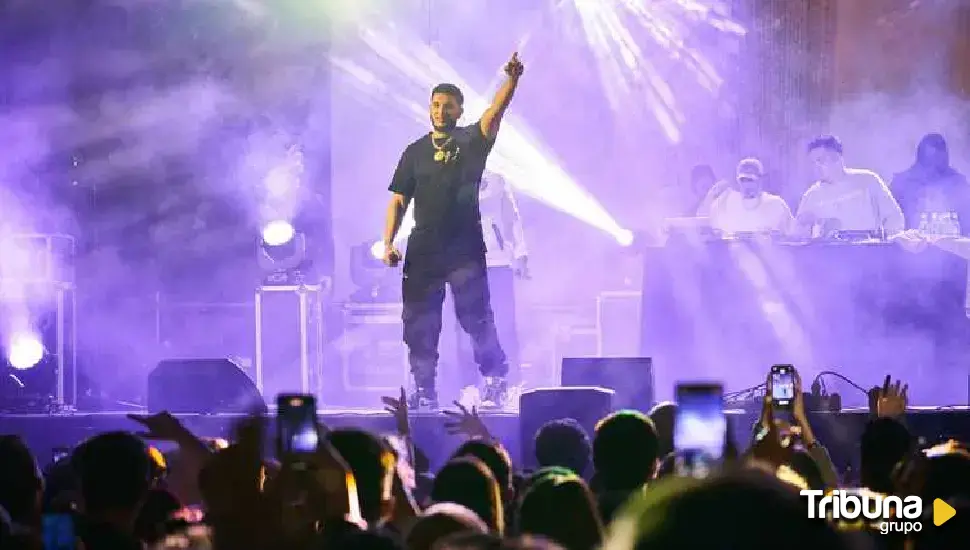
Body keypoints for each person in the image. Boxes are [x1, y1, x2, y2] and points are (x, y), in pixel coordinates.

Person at [381, 53, 525, 410]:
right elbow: (398, 200)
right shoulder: (414, 152)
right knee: (420, 323)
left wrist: (512, 81)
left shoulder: (471, 141)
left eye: (448, 106)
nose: (440, 111)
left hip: (464, 248)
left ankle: (495, 379)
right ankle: (424, 389)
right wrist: (388, 243)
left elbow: (495, 113)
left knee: (476, 317)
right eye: (435, 105)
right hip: (424, 250)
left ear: (459, 111)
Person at [455, 170, 528, 389]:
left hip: (498, 263)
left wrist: (520, 253)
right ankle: (470, 387)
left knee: (504, 324)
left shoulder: (497, 180)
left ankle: (509, 383)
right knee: (467, 327)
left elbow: (512, 218)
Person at [795, 135, 904, 238]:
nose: (815, 167)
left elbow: (894, 216)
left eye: (820, 160)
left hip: (869, 250)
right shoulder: (811, 196)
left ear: (836, 158)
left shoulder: (867, 180)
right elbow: (799, 231)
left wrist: (888, 245)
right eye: (812, 162)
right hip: (830, 254)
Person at [892, 133, 970, 236]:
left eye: (939, 166)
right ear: (920, 161)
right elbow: (891, 226)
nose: (933, 172)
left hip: (953, 248)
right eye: (929, 163)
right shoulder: (901, 184)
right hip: (910, 248)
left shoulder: (958, 183)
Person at [708, 158, 792, 235]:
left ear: (760, 179)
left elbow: (791, 233)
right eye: (743, 180)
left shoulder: (775, 204)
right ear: (737, 180)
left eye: (750, 180)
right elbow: (712, 227)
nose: (747, 185)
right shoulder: (725, 202)